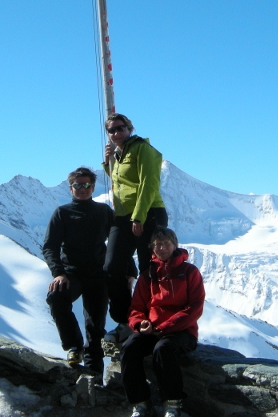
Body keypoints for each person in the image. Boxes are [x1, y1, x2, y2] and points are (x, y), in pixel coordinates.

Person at [121, 227, 204, 417]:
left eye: (166, 243)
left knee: (163, 349)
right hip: (153, 330)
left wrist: (165, 328)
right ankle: (140, 403)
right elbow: (136, 308)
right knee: (129, 347)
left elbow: (195, 307)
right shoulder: (148, 274)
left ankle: (172, 404)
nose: (162, 247)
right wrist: (140, 324)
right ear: (152, 248)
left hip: (182, 331)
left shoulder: (189, 272)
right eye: (157, 244)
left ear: (175, 245)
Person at [102, 113, 168, 343]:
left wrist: (138, 218)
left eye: (120, 128)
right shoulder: (119, 154)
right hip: (123, 215)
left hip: (148, 213)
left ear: (129, 128)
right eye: (112, 130)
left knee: (149, 269)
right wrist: (107, 163)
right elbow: (123, 183)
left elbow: (149, 184)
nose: (116, 133)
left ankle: (154, 322)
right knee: (112, 267)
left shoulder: (143, 150)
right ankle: (126, 320)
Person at [42, 167, 114, 373]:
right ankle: (74, 346)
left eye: (86, 185)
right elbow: (50, 246)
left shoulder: (104, 211)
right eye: (78, 185)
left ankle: (94, 377)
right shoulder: (62, 213)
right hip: (71, 273)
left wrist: (130, 271)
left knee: (95, 327)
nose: (82, 189)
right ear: (70, 188)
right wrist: (58, 273)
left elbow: (118, 244)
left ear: (92, 187)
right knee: (56, 297)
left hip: (98, 274)